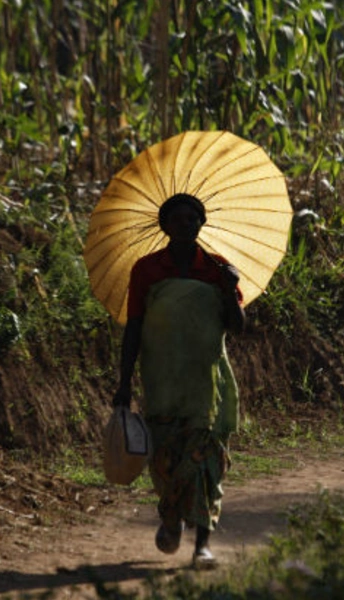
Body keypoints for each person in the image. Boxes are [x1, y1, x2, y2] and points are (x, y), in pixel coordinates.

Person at [112, 192, 245, 569]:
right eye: (179, 219)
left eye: (193, 218)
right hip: (163, 383)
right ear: (164, 226)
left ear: (202, 224)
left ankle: (202, 543)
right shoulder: (147, 270)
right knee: (166, 460)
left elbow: (238, 328)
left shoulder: (218, 269)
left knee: (207, 463)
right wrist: (124, 382)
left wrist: (229, 290)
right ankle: (170, 519)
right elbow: (134, 327)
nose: (187, 224)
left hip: (208, 384)